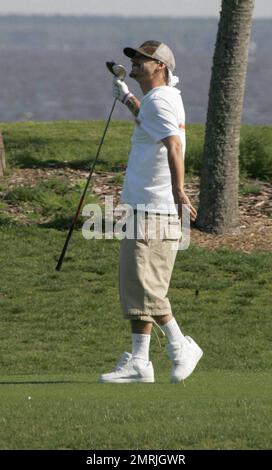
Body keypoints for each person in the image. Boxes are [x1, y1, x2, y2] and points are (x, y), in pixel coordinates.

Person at [100, 40, 203, 384]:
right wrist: (127, 98)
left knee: (146, 287)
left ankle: (179, 346)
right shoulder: (158, 101)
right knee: (136, 284)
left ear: (160, 66)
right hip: (146, 207)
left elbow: (173, 144)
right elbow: (149, 119)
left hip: (156, 209)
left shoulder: (160, 101)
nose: (136, 62)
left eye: (142, 59)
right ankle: (140, 361)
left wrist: (178, 192)